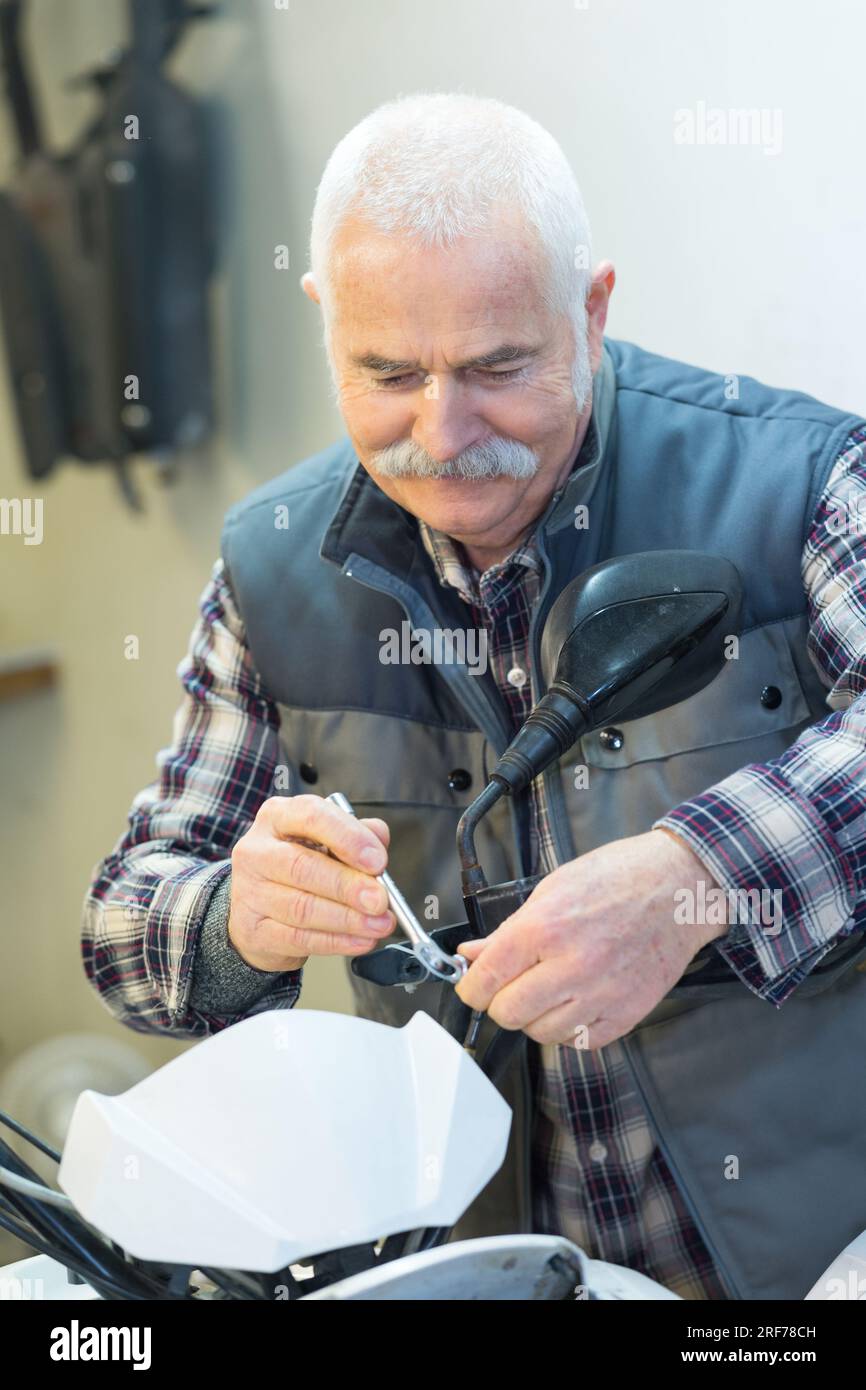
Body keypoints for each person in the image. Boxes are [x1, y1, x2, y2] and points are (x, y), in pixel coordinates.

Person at [82, 92, 866, 1300]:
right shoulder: (268, 573)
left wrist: (695, 879)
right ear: (323, 321)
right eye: (386, 372)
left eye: (497, 366)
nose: (441, 436)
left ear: (591, 310)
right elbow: (125, 930)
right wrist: (241, 918)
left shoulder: (797, 479)